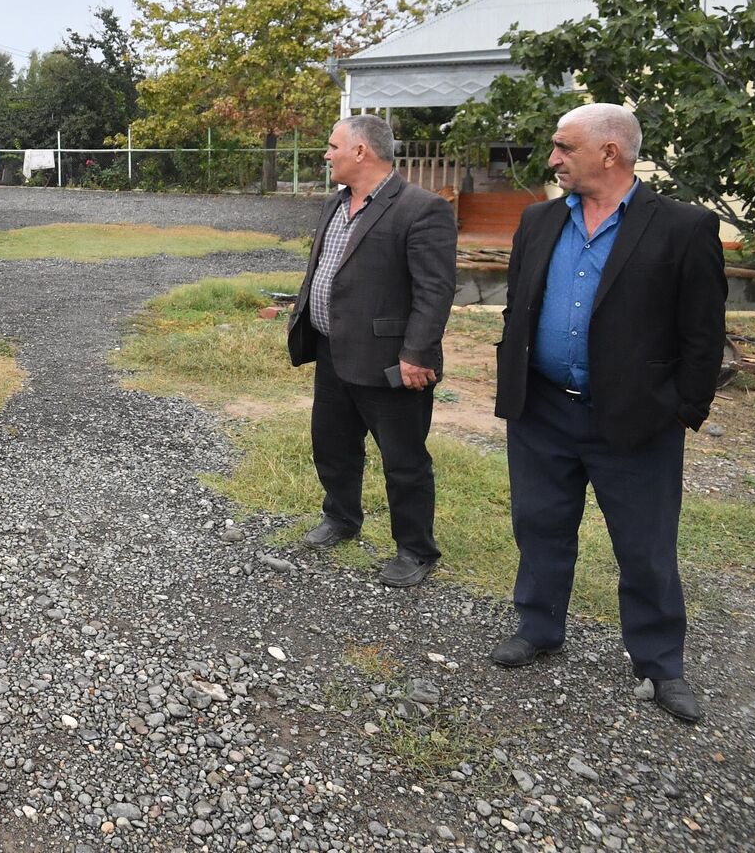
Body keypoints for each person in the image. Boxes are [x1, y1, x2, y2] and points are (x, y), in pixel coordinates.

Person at [490, 103, 725, 723]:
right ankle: (539, 628)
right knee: (539, 524)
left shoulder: (682, 228)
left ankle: (659, 662)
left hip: (635, 420)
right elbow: (521, 305)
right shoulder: (540, 220)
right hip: (542, 411)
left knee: (645, 545)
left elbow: (704, 337)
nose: (553, 159)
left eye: (564, 148)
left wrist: (681, 411)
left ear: (610, 153)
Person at [287, 115, 458, 587]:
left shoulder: (421, 209)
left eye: (332, 145)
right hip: (333, 352)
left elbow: (435, 290)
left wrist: (418, 354)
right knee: (333, 445)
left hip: (390, 363)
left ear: (361, 151)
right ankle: (341, 518)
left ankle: (415, 550)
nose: (326, 154)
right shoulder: (335, 204)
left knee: (403, 460)